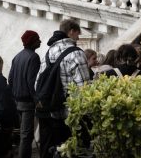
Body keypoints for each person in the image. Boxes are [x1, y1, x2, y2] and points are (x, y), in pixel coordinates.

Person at [35, 19, 90, 158]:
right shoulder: (76, 53)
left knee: (56, 152)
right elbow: (84, 88)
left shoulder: (48, 52)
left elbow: (37, 83)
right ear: (71, 31)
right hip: (71, 116)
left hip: (51, 112)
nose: (78, 38)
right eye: (78, 34)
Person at [9, 30, 41, 158]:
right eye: (38, 39)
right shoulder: (33, 57)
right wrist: (37, 100)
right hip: (27, 102)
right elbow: (31, 82)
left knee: (24, 134)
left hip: (17, 101)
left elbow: (10, 79)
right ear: (32, 42)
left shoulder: (17, 57)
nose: (40, 41)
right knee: (26, 136)